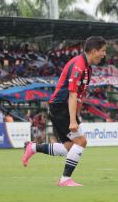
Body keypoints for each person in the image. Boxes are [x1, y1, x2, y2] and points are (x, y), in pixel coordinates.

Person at [22, 36, 107, 186]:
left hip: (63, 107)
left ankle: (33, 147)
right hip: (60, 106)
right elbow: (73, 94)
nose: (104, 54)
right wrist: (73, 120)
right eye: (103, 51)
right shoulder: (79, 66)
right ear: (94, 51)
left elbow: (80, 96)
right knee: (81, 141)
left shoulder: (88, 68)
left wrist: (77, 115)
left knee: (69, 147)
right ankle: (65, 179)